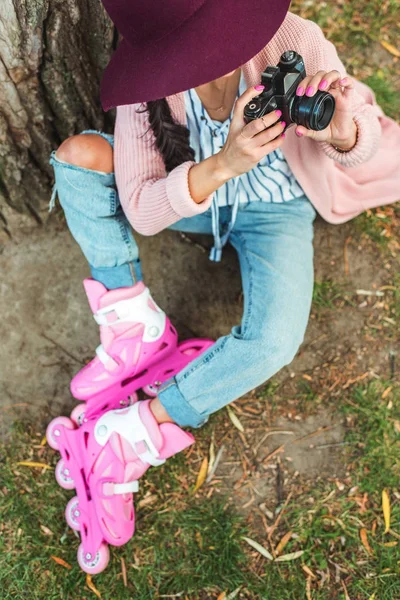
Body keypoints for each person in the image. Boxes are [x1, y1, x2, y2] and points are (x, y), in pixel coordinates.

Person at [48, 0, 400, 548]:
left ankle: (138, 431)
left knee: (275, 340)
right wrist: (224, 165)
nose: (205, 61)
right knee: (79, 157)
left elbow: (366, 143)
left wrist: (337, 130)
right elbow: (142, 208)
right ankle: (131, 324)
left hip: (277, 209)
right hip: (193, 198)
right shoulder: (150, 81)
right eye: (185, 54)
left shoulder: (293, 39)